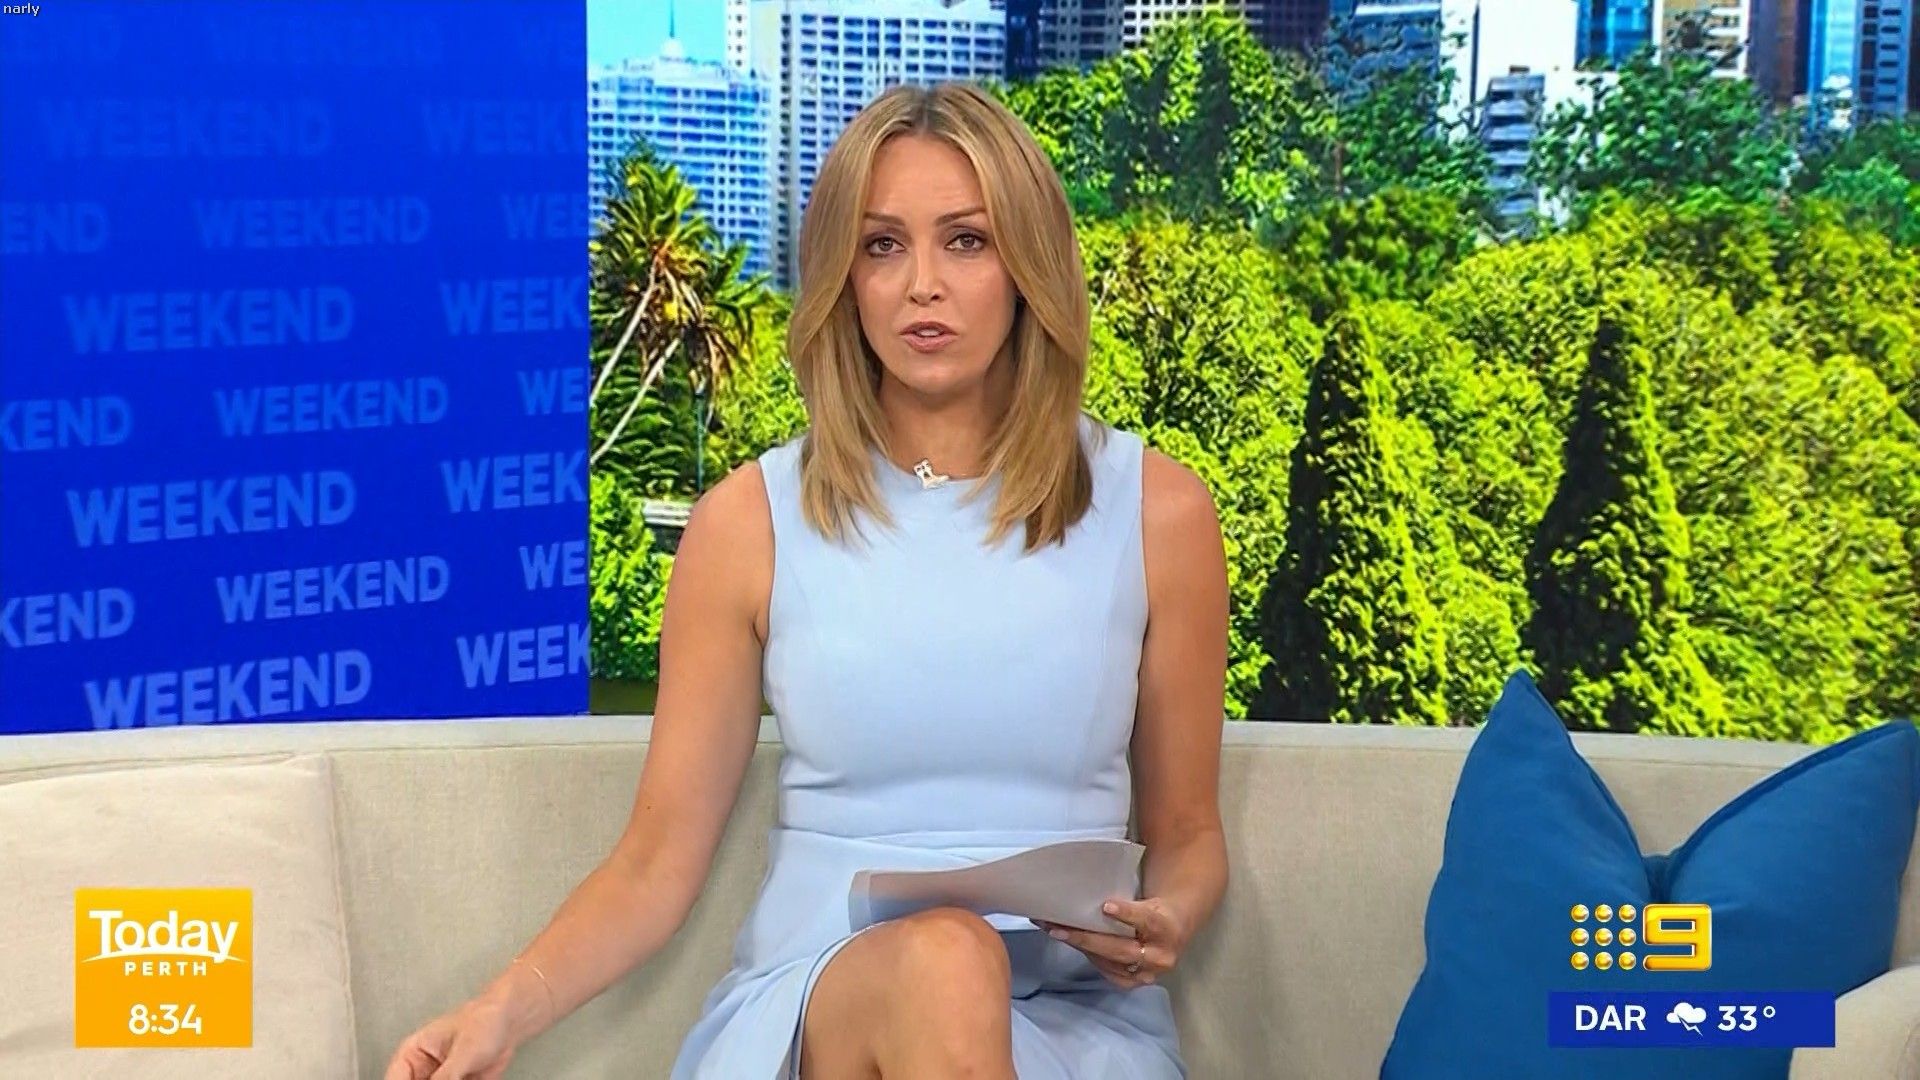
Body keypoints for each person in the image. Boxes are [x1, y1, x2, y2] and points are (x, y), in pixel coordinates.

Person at [384, 80, 1229, 1080]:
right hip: (817, 1013)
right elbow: (654, 862)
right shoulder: (748, 524)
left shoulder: (1159, 514)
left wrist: (1171, 915)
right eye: (883, 245)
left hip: (1078, 1021)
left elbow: (1187, 834)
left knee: (959, 974)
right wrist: (498, 1012)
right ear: (843, 275)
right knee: (946, 961)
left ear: (1027, 264)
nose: (923, 284)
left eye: (966, 240)